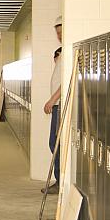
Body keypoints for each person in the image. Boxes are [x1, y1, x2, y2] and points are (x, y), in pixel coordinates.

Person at [43, 16, 63, 194]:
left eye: (61, 31)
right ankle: (60, 179)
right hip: (57, 105)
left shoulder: (68, 53)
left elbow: (65, 83)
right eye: (57, 33)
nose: (59, 35)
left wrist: (52, 100)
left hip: (61, 106)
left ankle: (60, 181)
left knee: (55, 143)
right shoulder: (62, 54)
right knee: (54, 143)